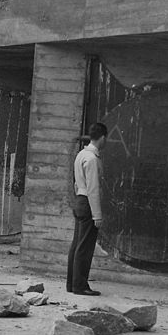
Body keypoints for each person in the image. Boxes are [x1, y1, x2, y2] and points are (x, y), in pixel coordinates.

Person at [66, 122, 108, 296]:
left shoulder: (81, 154)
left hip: (80, 200)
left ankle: (72, 284)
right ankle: (80, 285)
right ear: (103, 138)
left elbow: (77, 183)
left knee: (77, 245)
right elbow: (93, 188)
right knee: (84, 247)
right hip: (88, 202)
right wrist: (97, 214)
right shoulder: (92, 159)